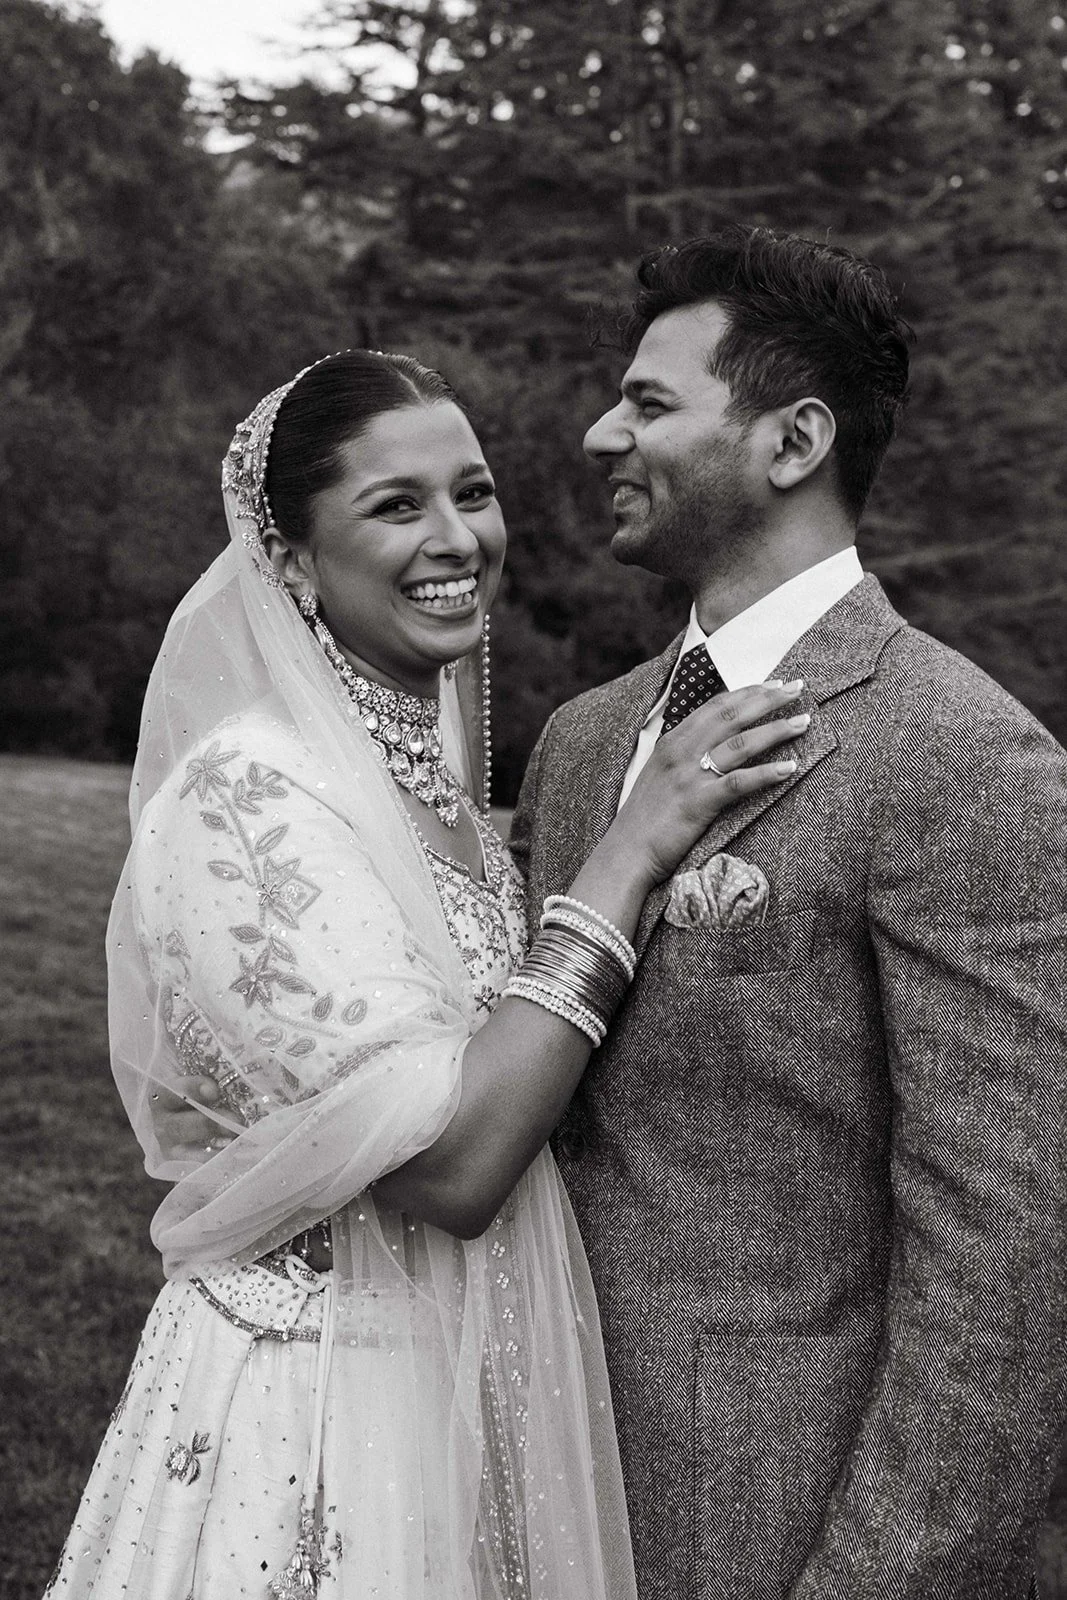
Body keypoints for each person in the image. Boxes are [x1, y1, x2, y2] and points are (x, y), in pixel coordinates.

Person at [44, 349, 808, 1599]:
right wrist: (627, 854)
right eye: (396, 505)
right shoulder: (246, 798)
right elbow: (450, 1167)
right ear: (289, 558)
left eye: (473, 492)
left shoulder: (437, 791)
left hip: (477, 1393)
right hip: (319, 1419)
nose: (456, 538)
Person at [509, 225, 1067, 1600]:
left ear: (791, 440)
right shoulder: (580, 743)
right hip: (523, 1480)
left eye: (647, 403)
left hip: (768, 1533)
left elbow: (1005, 1271)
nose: (598, 435)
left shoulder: (962, 756)